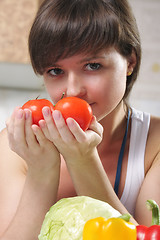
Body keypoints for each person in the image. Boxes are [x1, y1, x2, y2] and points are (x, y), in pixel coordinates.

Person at [0, 0, 160, 239]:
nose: (73, 90)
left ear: (130, 62)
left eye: (93, 65)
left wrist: (83, 160)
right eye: (55, 71)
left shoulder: (154, 144)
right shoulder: (18, 143)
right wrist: (41, 172)